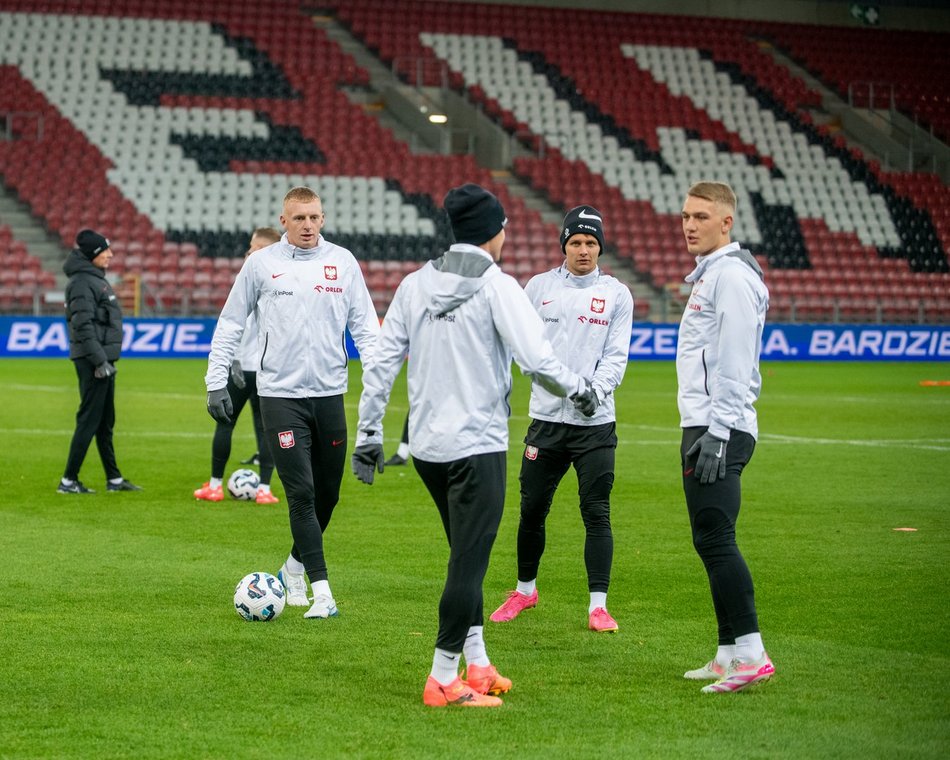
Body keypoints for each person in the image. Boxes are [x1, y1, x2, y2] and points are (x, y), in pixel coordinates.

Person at [351, 183, 597, 708]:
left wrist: (369, 434)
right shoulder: (498, 286)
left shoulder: (415, 284)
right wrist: (581, 389)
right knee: (468, 565)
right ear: (494, 230)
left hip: (428, 451)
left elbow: (380, 364)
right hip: (478, 447)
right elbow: (537, 362)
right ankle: (443, 679)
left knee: (465, 555)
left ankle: (478, 663)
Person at [204, 187, 380, 619]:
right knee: (301, 493)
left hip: (329, 395)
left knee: (328, 497)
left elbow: (366, 328)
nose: (307, 226)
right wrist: (215, 380)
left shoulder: (343, 262)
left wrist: (379, 382)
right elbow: (230, 322)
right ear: (283, 220)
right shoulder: (261, 264)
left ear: (323, 219)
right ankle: (322, 593)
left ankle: (293, 568)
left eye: (314, 218)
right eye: (299, 218)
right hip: (280, 396)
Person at [489, 205, 633, 633]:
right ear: (564, 245)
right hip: (547, 421)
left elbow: (616, 356)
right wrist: (564, 389)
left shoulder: (616, 294)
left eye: (591, 243)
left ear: (600, 247)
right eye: (576, 242)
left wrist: (595, 392)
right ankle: (525, 590)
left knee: (596, 511)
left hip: (596, 425)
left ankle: (598, 606)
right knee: (532, 510)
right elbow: (524, 350)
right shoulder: (538, 287)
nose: (584, 250)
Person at [676, 181, 774, 693]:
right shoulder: (714, 275)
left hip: (719, 428)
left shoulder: (730, 278)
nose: (689, 224)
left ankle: (752, 653)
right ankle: (726, 653)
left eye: (700, 216)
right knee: (709, 538)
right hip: (709, 424)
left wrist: (717, 431)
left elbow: (736, 360)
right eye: (686, 215)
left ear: (726, 222)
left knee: (716, 539)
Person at [195, 227, 282, 505]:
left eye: (253, 247)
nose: (248, 252)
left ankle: (216, 486)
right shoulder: (285, 278)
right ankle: (265, 490)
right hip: (268, 368)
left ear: (264, 250)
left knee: (225, 423)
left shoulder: (251, 274)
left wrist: (230, 360)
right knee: (265, 428)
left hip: (242, 366)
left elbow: (236, 324)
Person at [58, 229, 141, 494]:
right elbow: (81, 326)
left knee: (105, 422)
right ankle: (68, 481)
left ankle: (114, 480)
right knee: (89, 420)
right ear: (93, 254)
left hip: (103, 360)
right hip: (95, 362)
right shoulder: (83, 283)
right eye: (105, 250)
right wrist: (99, 360)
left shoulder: (93, 280)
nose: (110, 254)